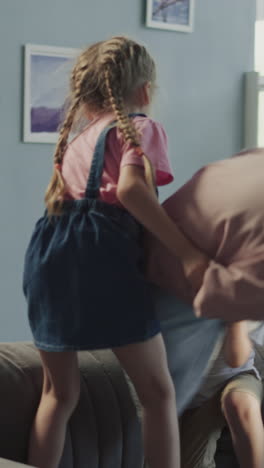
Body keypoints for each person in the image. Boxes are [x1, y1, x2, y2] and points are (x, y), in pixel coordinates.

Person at [22, 36, 209, 468]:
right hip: (101, 259)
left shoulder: (77, 139)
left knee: (59, 393)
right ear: (144, 91)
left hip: (48, 256)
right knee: (158, 393)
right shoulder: (139, 127)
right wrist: (187, 253)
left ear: (84, 95)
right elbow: (131, 191)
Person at [179, 320, 264, 468]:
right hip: (195, 399)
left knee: (240, 402)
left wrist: (234, 320)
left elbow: (237, 359)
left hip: (237, 378)